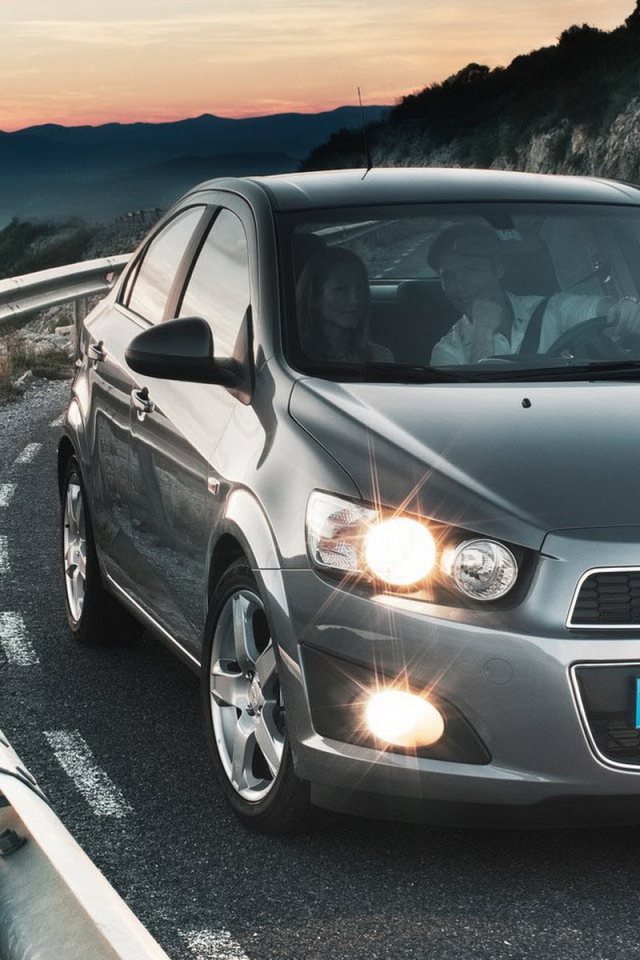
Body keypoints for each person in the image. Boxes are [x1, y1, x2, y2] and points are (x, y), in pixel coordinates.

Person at [429, 223, 640, 364]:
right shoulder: (447, 352)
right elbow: (471, 410)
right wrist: (482, 331)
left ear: (498, 269)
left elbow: (600, 309)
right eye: (449, 277)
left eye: (471, 270)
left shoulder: (551, 308)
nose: (460, 286)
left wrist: (626, 308)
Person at [296, 246, 393, 363]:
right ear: (315, 298)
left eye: (360, 289)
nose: (355, 300)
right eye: (341, 290)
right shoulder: (295, 363)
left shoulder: (380, 357)